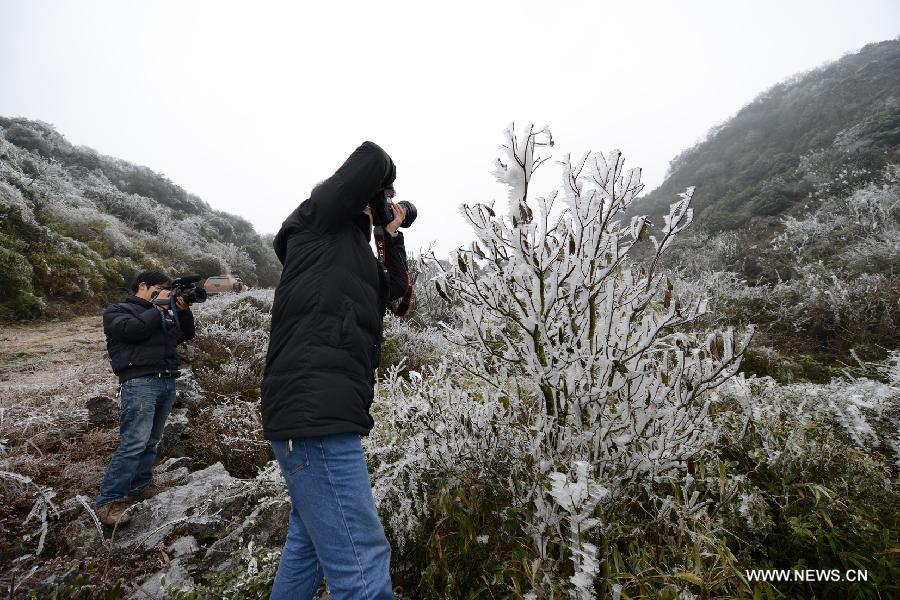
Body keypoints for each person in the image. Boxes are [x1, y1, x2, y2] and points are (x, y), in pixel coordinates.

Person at [262, 141, 412, 599]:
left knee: (306, 548)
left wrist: (391, 233)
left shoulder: (351, 255)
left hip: (318, 413)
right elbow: (370, 155)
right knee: (363, 563)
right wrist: (385, 186)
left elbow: (399, 295)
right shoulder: (316, 220)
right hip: (316, 413)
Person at [95, 271, 195, 526]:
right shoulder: (118, 311)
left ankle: (140, 485)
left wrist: (181, 311)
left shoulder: (161, 312)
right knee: (133, 443)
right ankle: (109, 501)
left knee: (151, 441)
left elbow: (184, 335)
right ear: (143, 286)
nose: (167, 293)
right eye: (163, 288)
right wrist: (160, 307)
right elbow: (133, 331)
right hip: (140, 382)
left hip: (166, 380)